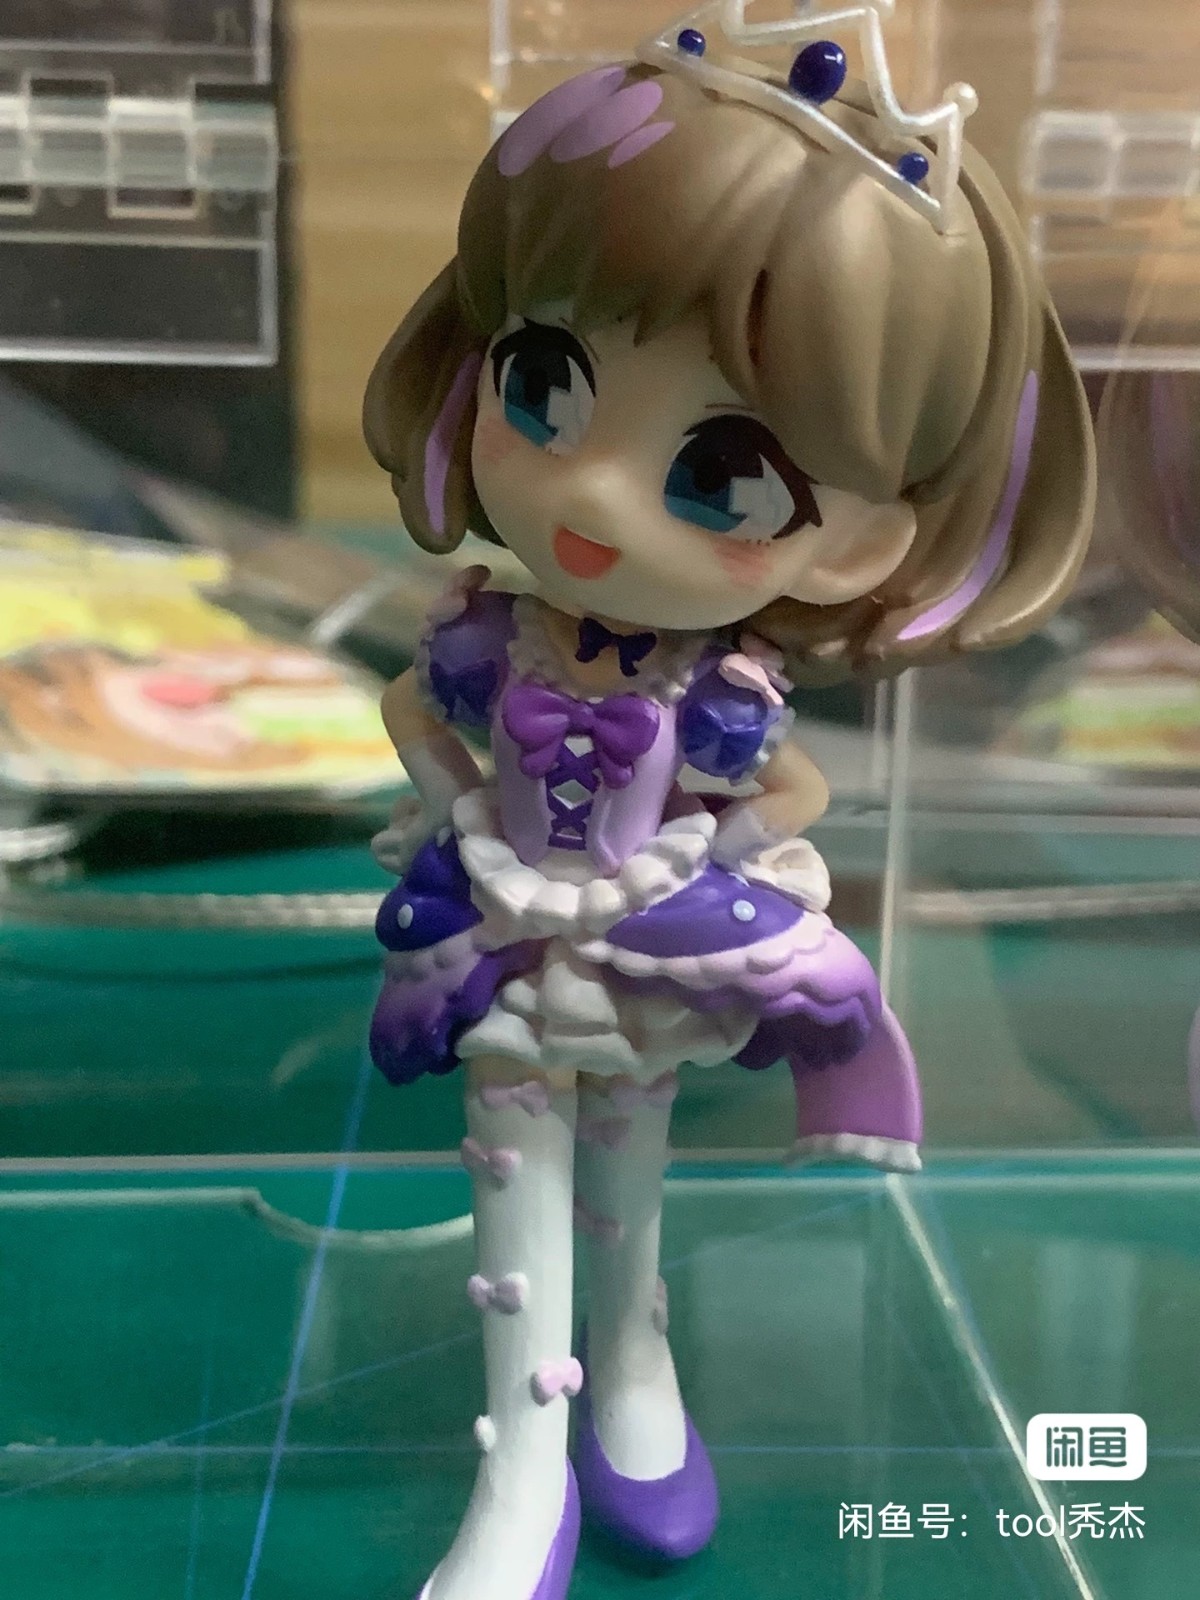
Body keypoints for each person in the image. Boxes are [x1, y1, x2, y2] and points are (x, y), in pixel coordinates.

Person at [361, 11, 1095, 1598]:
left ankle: (634, 1362)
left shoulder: (724, 689)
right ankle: (520, 1461)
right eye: (542, 385)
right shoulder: (488, 640)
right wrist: (459, 812)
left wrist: (732, 852)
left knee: (629, 1161)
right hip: (503, 919)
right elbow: (415, 711)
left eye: (722, 473)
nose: (588, 493)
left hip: (647, 930)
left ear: (861, 542)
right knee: (511, 1176)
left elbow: (787, 781)